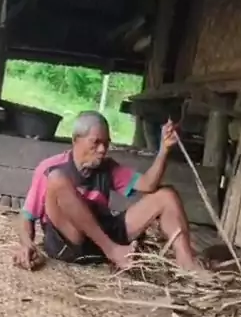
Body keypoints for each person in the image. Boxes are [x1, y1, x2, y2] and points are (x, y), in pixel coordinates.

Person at [14, 110, 206, 272]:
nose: (102, 149)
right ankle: (113, 251)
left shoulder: (108, 167)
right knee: (56, 179)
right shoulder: (49, 167)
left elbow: (148, 184)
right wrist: (27, 245)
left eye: (106, 143)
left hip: (101, 237)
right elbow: (26, 216)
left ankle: (187, 264)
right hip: (71, 241)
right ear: (75, 140)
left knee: (166, 195)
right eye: (95, 142)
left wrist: (164, 150)